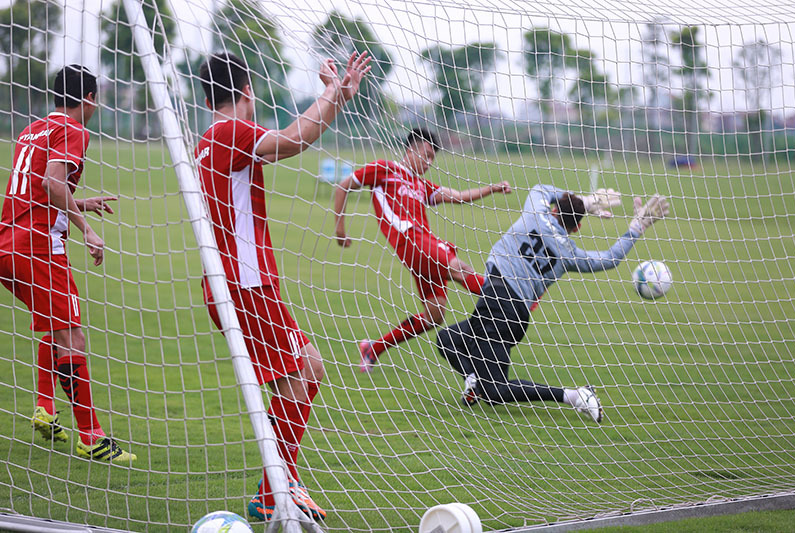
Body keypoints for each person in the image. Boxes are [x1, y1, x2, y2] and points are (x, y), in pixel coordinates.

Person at [195, 51, 371, 522]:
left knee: (308, 365)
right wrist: (332, 90)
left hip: (238, 284)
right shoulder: (228, 132)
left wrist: (337, 98)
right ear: (247, 90)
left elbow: (303, 136)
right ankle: (278, 488)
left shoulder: (211, 139)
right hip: (246, 285)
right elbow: (296, 139)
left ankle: (273, 487)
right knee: (304, 372)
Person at [435, 185, 670, 423]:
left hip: (498, 305)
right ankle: (474, 382)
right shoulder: (569, 254)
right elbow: (610, 259)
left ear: (555, 210)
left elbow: (540, 189)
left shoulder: (535, 213)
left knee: (495, 391)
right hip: (513, 314)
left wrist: (588, 201)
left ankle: (575, 396)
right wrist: (636, 227)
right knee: (447, 340)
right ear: (577, 228)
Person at [0, 65, 134, 462]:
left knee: (57, 326)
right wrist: (87, 228)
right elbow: (51, 183)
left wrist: (80, 203)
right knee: (72, 334)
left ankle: (44, 405)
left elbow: (37, 186)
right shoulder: (75, 130)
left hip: (8, 242)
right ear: (89, 99)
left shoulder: (32, 128)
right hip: (38, 245)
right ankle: (91, 436)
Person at [333, 128, 511, 372]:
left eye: (432, 159)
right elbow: (343, 185)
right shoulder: (385, 169)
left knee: (435, 315)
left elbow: (457, 196)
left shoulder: (421, 184)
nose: (428, 163)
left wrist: (491, 189)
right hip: (410, 241)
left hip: (424, 247)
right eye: (426, 155)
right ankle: (510, 297)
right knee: (459, 268)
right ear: (411, 149)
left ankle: (374, 349)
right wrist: (339, 226)